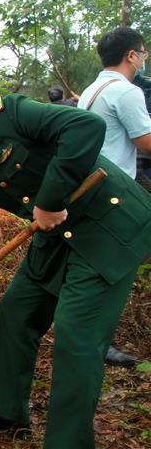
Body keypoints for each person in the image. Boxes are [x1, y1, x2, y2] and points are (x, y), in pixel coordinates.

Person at [0, 88, 151, 449]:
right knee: (16, 311)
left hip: (105, 226)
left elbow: (85, 126)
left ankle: (67, 443)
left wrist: (50, 201)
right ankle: (7, 412)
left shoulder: (13, 115)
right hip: (54, 239)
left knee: (76, 334)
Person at [77, 27, 151, 365]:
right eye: (142, 52)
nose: (144, 58)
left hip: (96, 185)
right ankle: (100, 340)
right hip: (116, 191)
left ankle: (96, 336)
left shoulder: (92, 90)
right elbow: (145, 141)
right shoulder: (126, 91)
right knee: (112, 266)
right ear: (131, 56)